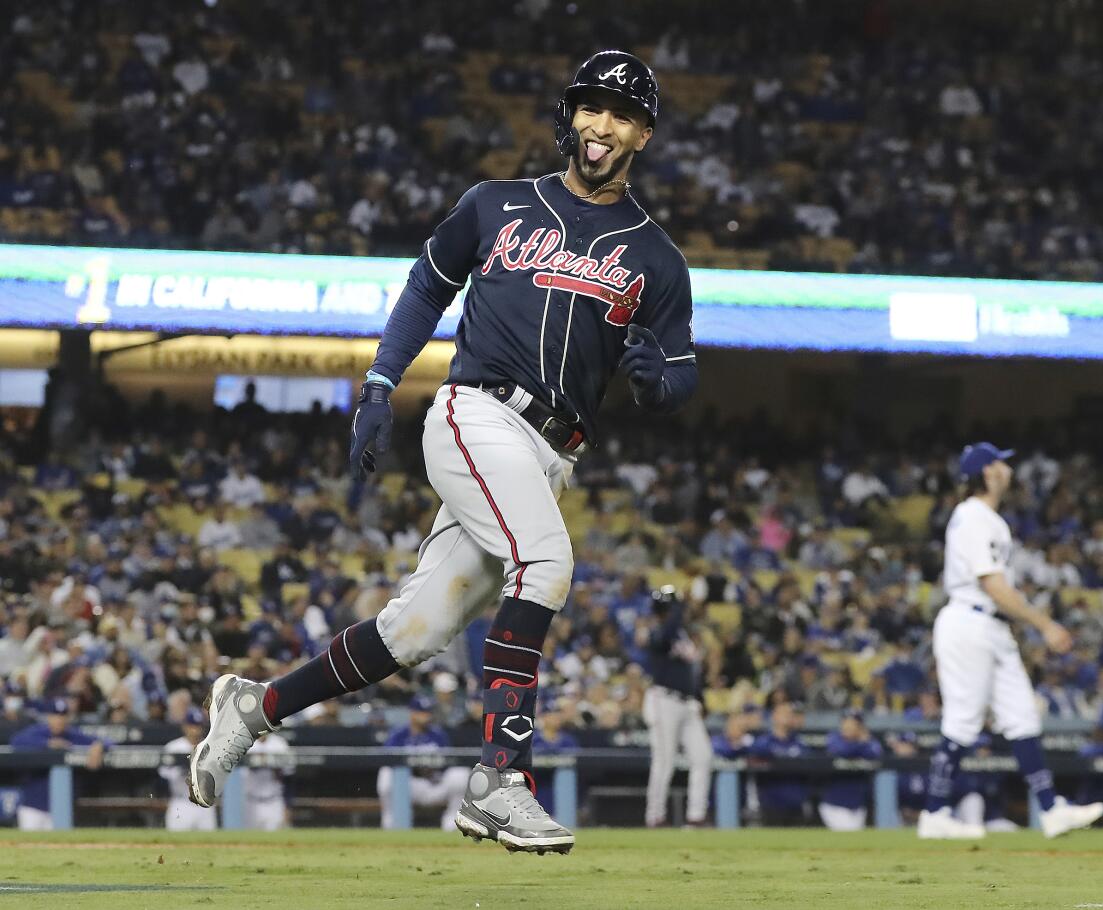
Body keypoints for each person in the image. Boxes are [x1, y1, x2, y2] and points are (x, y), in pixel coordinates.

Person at [187, 49, 695, 856]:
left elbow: (678, 373)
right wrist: (380, 385)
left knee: (415, 630)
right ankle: (502, 777)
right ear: (570, 116)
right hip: (476, 413)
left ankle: (255, 706)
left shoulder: (657, 257)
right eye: (593, 106)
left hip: (554, 453)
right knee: (548, 565)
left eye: (622, 113)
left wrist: (656, 380)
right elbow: (428, 285)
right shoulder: (497, 204)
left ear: (643, 134)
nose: (603, 124)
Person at [917, 443, 1103, 840]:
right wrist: (1044, 624)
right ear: (987, 472)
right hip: (969, 620)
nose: (1007, 468)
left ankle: (1052, 809)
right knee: (964, 722)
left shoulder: (991, 519)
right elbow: (992, 584)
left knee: (1022, 716)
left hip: (992, 626)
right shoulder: (971, 516)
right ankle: (934, 813)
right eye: (999, 462)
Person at [638, 586, 712, 828]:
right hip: (663, 700)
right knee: (664, 760)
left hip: (687, 703)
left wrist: (700, 698)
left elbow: (691, 670)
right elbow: (664, 635)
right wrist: (680, 604)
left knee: (702, 757)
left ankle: (696, 816)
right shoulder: (657, 632)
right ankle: (655, 816)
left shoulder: (682, 634)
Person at [377, 695, 471, 832]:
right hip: (410, 785)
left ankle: (453, 825)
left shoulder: (438, 735)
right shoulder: (398, 735)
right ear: (412, 713)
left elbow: (448, 763)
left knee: (460, 773)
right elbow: (387, 760)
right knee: (386, 773)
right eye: (422, 712)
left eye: (428, 712)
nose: (427, 716)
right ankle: (392, 824)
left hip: (435, 783)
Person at [10, 699, 103, 830]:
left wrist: (99, 746)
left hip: (61, 808)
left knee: (59, 846)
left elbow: (107, 741)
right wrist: (47, 744)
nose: (59, 720)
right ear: (48, 716)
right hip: (32, 806)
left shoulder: (72, 735)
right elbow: (16, 741)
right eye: (55, 715)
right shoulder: (36, 733)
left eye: (62, 716)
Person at [819, 710, 883, 832]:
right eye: (845, 722)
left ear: (860, 726)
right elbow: (842, 751)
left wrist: (861, 744)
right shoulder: (834, 738)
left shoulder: (870, 741)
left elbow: (875, 752)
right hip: (834, 804)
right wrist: (861, 743)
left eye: (852, 723)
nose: (848, 726)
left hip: (858, 805)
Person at [161, 707, 216, 831]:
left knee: (208, 844)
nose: (195, 730)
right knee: (176, 844)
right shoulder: (174, 747)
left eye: (198, 726)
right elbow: (163, 775)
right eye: (192, 725)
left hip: (204, 804)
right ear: (184, 726)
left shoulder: (210, 747)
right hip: (181, 802)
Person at [243, 730, 292, 830]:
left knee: (276, 840)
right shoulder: (245, 743)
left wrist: (287, 805)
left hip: (274, 801)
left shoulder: (279, 744)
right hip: (251, 801)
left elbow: (289, 775)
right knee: (250, 839)